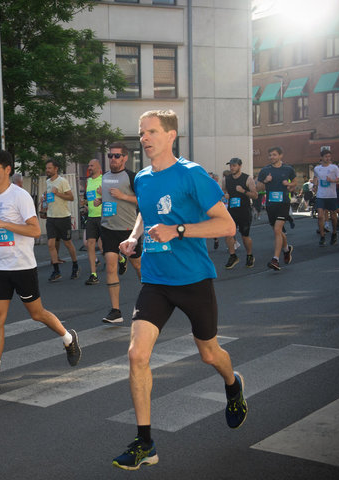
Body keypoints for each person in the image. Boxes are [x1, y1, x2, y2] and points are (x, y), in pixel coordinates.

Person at [113, 110, 246, 470]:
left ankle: (233, 385)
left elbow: (226, 225)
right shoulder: (141, 177)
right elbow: (145, 211)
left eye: (152, 131)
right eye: (142, 132)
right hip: (156, 281)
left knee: (209, 353)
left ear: (171, 135)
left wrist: (179, 230)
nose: (144, 138)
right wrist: (133, 236)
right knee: (137, 355)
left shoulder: (192, 174)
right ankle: (145, 442)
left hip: (193, 280)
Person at [0, 151, 82, 391]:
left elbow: (33, 230)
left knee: (37, 313)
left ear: (7, 169)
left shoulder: (20, 196)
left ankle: (68, 338)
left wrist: (4, 224)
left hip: (22, 266)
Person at [94, 143, 141, 323]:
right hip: (108, 228)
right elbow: (107, 198)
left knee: (138, 265)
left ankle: (150, 298)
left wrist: (123, 197)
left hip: (129, 230)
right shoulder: (105, 177)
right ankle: (116, 311)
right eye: (110, 156)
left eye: (116, 156)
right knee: (111, 267)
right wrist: (100, 200)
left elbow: (142, 200)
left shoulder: (131, 177)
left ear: (125, 158)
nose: (113, 159)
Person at [256, 147, 296, 271]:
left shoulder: (288, 169)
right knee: (277, 231)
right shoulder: (265, 170)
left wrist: (289, 184)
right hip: (270, 205)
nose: (272, 157)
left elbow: (295, 183)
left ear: (280, 155)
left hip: (283, 203)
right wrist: (265, 181)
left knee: (278, 229)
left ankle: (275, 259)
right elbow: (258, 188)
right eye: (270, 155)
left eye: (274, 155)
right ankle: (286, 249)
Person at [44, 158, 80, 281]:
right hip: (51, 217)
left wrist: (58, 193)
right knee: (50, 244)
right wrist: (46, 200)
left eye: (49, 168)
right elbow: (51, 198)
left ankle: (75, 266)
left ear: (56, 169)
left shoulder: (62, 181)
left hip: (63, 217)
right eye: (46, 168)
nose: (47, 170)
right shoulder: (48, 182)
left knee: (68, 243)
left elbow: (71, 197)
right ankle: (56, 271)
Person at [222, 158, 258, 269]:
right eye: (231, 166)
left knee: (244, 236)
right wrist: (225, 195)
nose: (232, 168)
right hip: (232, 210)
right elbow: (223, 191)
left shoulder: (247, 179)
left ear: (240, 166)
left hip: (244, 211)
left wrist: (243, 191)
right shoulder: (226, 179)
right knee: (228, 234)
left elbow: (255, 195)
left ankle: (249, 255)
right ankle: (233, 256)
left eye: (234, 165)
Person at [312, 147, 339, 246]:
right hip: (321, 195)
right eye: (326, 156)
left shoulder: (334, 168)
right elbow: (316, 177)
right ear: (321, 158)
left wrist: (332, 181)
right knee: (320, 216)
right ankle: (322, 236)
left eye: (329, 156)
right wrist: (315, 185)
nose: (328, 158)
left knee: (333, 217)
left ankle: (334, 233)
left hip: (332, 195)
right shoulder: (317, 168)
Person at [84, 158, 103, 285]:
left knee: (105, 247)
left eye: (91, 165)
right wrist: (85, 204)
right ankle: (93, 274)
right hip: (91, 217)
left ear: (98, 167)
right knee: (90, 244)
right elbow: (89, 198)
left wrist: (102, 195)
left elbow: (113, 197)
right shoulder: (88, 181)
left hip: (103, 216)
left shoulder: (105, 179)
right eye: (89, 165)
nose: (89, 168)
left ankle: (121, 259)